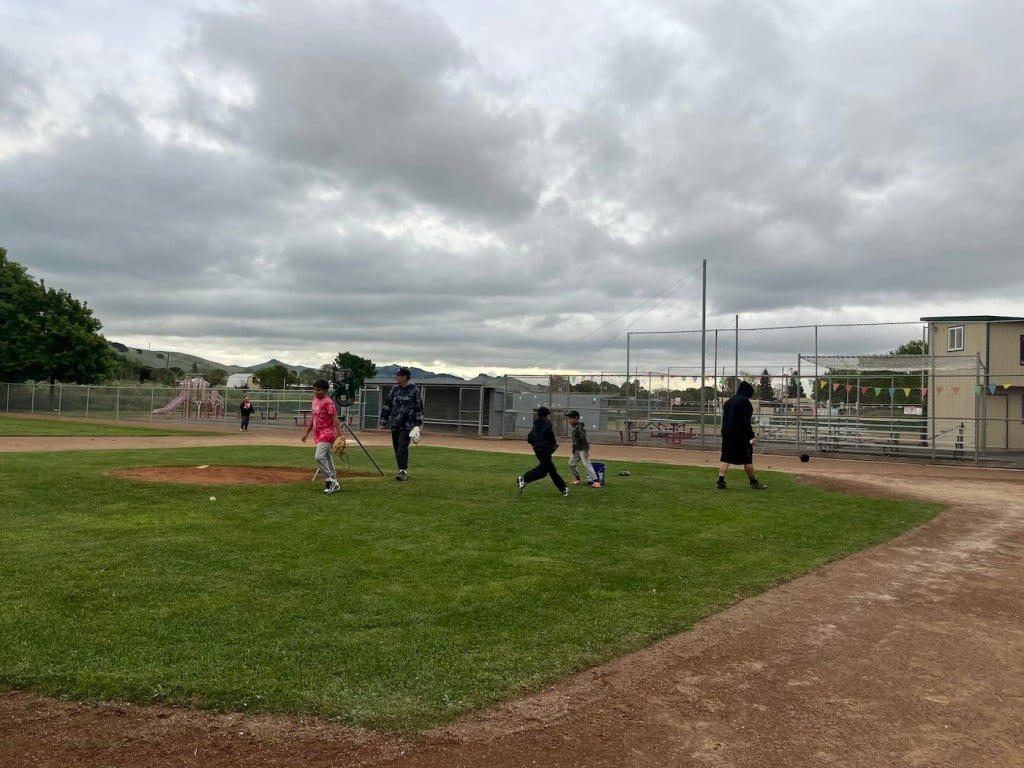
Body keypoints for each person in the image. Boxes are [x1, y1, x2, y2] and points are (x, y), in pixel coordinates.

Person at [717, 381, 767, 490]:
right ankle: (753, 482)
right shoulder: (745, 403)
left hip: (727, 434)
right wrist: (751, 436)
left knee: (725, 457)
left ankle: (720, 481)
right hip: (741, 436)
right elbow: (745, 422)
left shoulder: (729, 402)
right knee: (747, 459)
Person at [379, 366, 423, 481]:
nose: (396, 377)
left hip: (408, 424)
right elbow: (387, 404)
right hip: (395, 423)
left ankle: (403, 471)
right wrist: (383, 420)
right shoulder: (395, 389)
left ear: (405, 377)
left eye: (399, 375)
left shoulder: (414, 390)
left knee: (402, 446)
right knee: (396, 447)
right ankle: (400, 468)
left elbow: (419, 407)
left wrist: (418, 424)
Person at [517, 406, 568, 497]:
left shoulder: (536, 424)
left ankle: (525, 480)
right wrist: (553, 445)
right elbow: (549, 435)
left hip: (538, 450)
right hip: (545, 449)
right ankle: (563, 488)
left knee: (544, 471)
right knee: (552, 470)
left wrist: (536, 446)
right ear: (546, 415)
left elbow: (530, 437)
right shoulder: (547, 423)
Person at [301, 379, 341, 495]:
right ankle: (335, 481)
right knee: (327, 457)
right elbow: (313, 418)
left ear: (325, 390)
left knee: (319, 456)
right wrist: (307, 433)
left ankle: (330, 480)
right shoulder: (315, 402)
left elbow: (335, 419)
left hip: (328, 433)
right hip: (318, 433)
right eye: (315, 389)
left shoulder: (328, 402)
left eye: (318, 390)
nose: (316, 392)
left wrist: (340, 435)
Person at [566, 409, 600, 487]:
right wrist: (574, 449)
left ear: (576, 418)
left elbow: (584, 439)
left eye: (571, 418)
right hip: (577, 449)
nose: (569, 420)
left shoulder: (579, 427)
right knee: (571, 463)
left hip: (582, 448)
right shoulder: (574, 426)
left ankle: (596, 481)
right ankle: (577, 479)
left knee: (586, 464)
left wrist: (586, 450)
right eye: (569, 418)